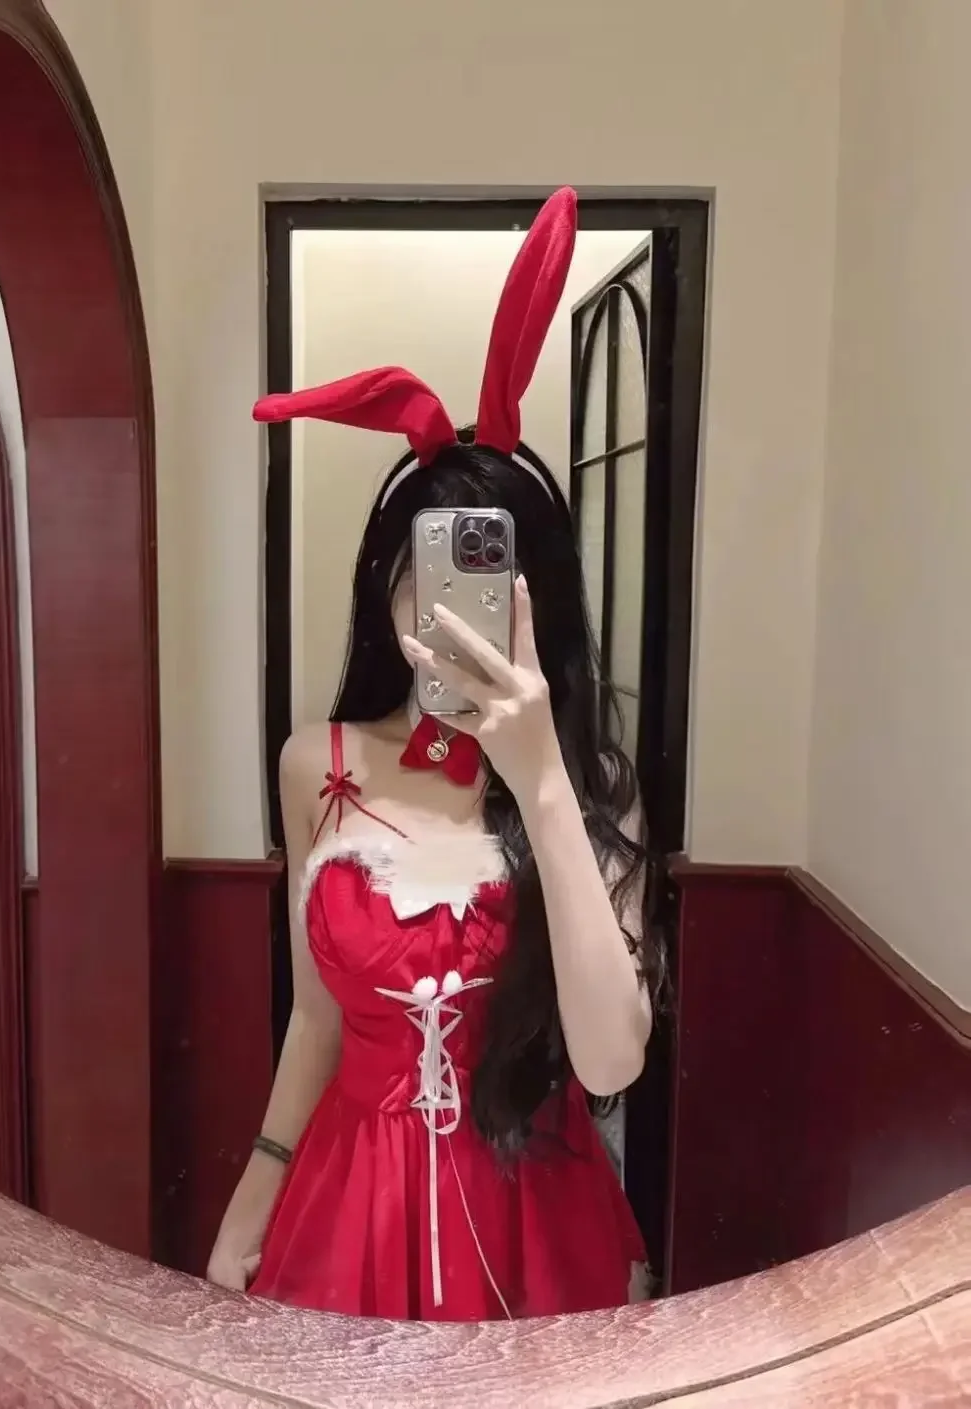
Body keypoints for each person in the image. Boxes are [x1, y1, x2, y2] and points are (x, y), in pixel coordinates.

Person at [207, 188, 662, 1321]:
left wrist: (541, 775)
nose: (451, 619)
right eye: (425, 581)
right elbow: (316, 1017)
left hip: (534, 1211)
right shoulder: (315, 763)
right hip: (348, 1200)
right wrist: (255, 1189)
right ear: (386, 589)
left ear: (539, 605)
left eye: (489, 590)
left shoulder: (592, 785)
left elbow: (610, 1063)